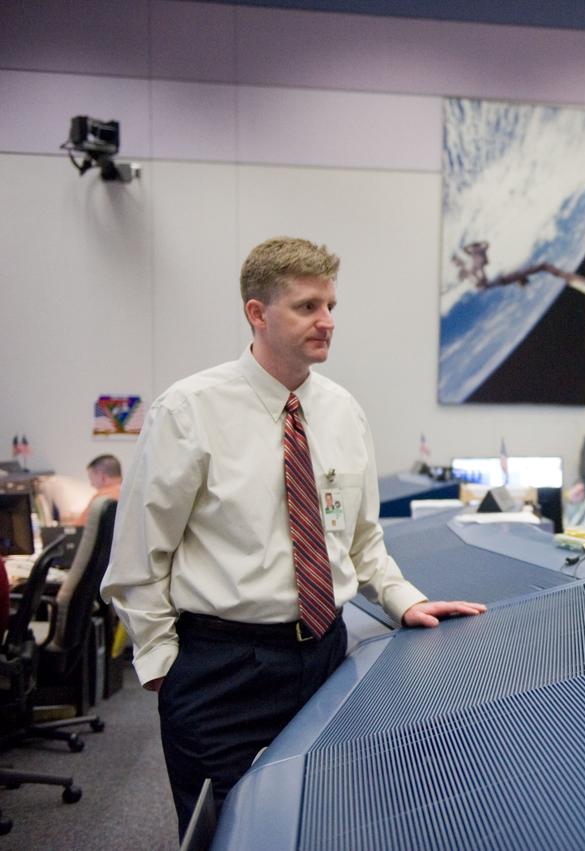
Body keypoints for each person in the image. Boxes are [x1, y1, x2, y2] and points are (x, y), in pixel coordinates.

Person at [101, 237, 487, 834]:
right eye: (308, 307)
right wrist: (160, 662)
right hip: (221, 667)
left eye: (331, 306)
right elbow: (137, 555)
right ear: (257, 313)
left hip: (326, 658)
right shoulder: (188, 410)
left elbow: (361, 540)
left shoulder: (342, 411)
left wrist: (403, 599)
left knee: (321, 823)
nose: (327, 322)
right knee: (226, 831)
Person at [72, 454, 123, 526]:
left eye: (91, 479)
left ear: (103, 477)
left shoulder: (102, 498)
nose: (91, 484)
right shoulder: (133, 493)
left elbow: (78, 527)